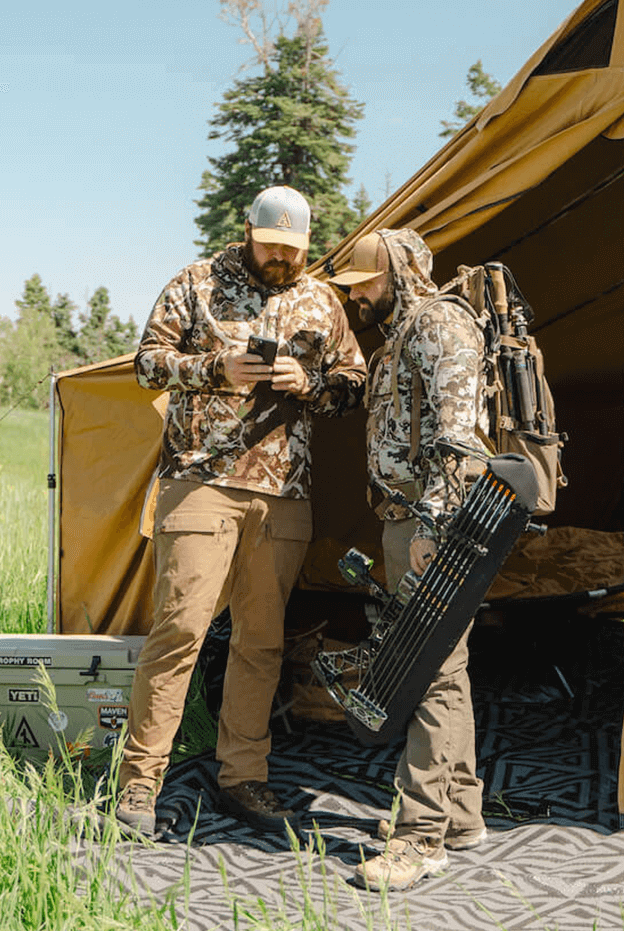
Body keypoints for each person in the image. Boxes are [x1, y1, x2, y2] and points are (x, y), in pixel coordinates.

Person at [114, 185, 367, 836]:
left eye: (293, 251)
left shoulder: (320, 299)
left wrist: (309, 384)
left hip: (285, 495)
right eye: (271, 247)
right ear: (248, 233)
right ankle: (139, 785)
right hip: (199, 483)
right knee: (180, 632)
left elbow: (355, 384)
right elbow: (146, 365)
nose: (282, 260)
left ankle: (243, 779)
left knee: (262, 643)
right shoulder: (195, 283)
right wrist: (216, 368)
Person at [328, 228, 490, 890]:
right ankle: (462, 817)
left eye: (365, 282)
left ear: (399, 272)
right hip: (408, 522)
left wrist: (431, 526)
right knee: (444, 671)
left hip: (433, 524)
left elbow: (458, 435)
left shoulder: (439, 326)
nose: (357, 296)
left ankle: (421, 839)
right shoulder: (400, 333)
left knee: (425, 674)